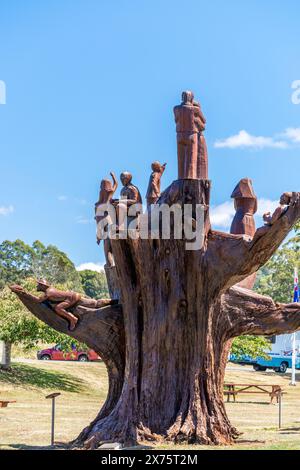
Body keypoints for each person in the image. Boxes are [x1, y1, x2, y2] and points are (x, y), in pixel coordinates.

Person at [10, 280, 118, 331]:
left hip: (71, 298)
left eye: (39, 284)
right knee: (94, 304)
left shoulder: (49, 293)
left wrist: (24, 293)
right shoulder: (49, 291)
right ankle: (110, 301)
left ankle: (72, 319)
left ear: (43, 285)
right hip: (74, 295)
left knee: (58, 308)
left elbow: (38, 300)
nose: (37, 286)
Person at [174, 91, 208, 179]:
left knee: (180, 159)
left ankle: (181, 177)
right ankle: (190, 176)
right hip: (191, 134)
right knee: (191, 159)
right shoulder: (195, 109)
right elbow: (204, 120)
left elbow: (176, 119)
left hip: (180, 134)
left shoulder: (176, 108)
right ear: (192, 98)